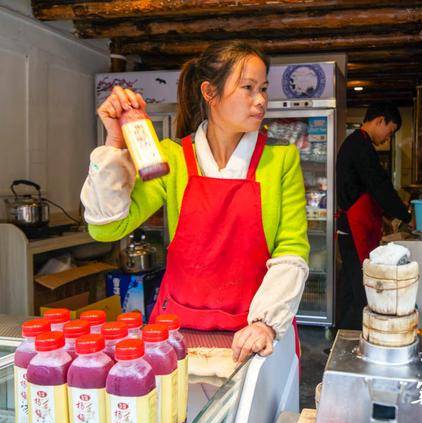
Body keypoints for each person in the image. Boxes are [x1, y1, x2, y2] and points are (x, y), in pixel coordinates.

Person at [80, 41, 310, 363]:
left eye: (263, 89)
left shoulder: (280, 159)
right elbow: (107, 229)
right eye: (247, 88)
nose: (260, 100)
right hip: (178, 330)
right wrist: (115, 144)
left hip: (254, 334)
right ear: (209, 92)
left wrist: (265, 323)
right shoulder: (172, 156)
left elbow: (291, 248)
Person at [336, 102, 411, 329]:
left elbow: (376, 187)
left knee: (350, 286)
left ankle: (341, 333)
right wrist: (405, 215)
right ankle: (356, 335)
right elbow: (380, 186)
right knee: (360, 288)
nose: (388, 138)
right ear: (380, 121)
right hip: (353, 227)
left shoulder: (358, 143)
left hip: (352, 226)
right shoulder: (360, 146)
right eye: (390, 131)